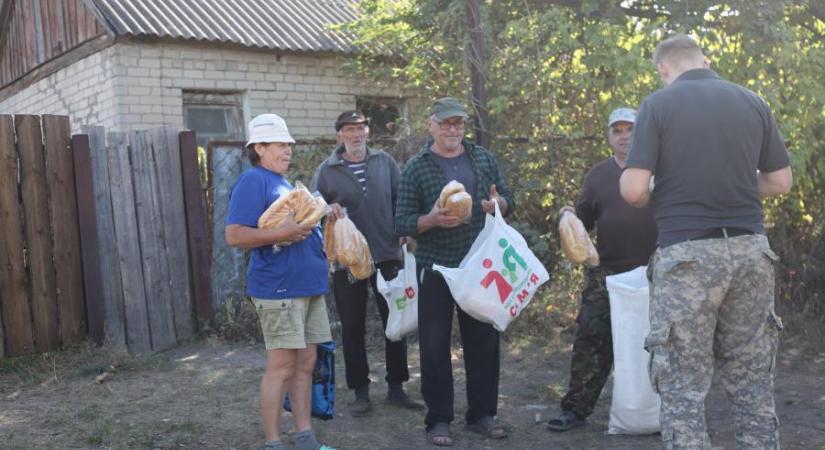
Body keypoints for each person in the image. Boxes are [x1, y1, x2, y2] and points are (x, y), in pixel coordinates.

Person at [620, 35, 792, 449]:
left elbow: (633, 190)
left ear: (663, 68)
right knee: (752, 381)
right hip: (752, 252)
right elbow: (780, 181)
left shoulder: (658, 106)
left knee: (683, 386)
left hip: (688, 257)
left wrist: (666, 187)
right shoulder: (753, 102)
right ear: (706, 61)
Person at [395, 97, 515, 446]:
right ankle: (438, 420)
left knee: (484, 342)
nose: (452, 129)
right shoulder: (417, 168)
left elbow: (509, 200)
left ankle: (482, 414)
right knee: (433, 347)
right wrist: (432, 219)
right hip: (436, 268)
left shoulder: (482, 158)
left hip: (479, 264)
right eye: (445, 123)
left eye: (458, 123)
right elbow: (400, 222)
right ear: (430, 125)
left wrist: (498, 205)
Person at [225, 114, 336, 450]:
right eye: (279, 144)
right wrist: (282, 232)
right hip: (279, 289)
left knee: (306, 364)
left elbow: (300, 231)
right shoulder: (253, 181)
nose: (288, 150)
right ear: (258, 147)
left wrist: (326, 216)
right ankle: (273, 443)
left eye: (289, 144)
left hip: (310, 287)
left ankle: (305, 439)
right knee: (281, 366)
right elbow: (235, 235)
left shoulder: (286, 186)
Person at [547, 107, 658, 432]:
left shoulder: (661, 170)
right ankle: (575, 409)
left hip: (657, 273)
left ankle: (665, 412)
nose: (625, 136)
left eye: (631, 129)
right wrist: (568, 213)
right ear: (609, 137)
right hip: (606, 274)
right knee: (591, 340)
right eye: (617, 130)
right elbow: (583, 220)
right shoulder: (598, 175)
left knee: (661, 344)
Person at [310, 110, 422, 417]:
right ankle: (360, 393)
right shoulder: (328, 169)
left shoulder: (384, 162)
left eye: (361, 129)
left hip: (388, 254)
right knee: (352, 326)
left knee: (395, 322)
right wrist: (326, 207)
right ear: (340, 136)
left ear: (367, 133)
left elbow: (402, 199)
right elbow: (311, 204)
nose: (356, 135)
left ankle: (397, 388)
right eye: (349, 129)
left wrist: (407, 234)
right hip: (348, 260)